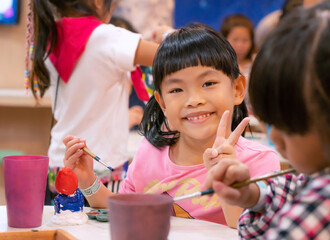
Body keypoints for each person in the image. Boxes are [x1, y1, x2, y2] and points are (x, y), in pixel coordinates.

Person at [63, 23, 280, 227]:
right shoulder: (150, 152)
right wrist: (87, 181)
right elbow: (123, 209)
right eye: (176, 90)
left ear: (237, 89)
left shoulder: (259, 161)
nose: (194, 99)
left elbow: (247, 229)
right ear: (162, 102)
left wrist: (226, 177)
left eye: (208, 83)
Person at [204, 2, 330, 238]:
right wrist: (253, 195)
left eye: (285, 123)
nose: (273, 136)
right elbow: (298, 187)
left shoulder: (322, 203)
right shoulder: (318, 179)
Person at [28, 0, 158, 203]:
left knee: (63, 231)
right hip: (100, 168)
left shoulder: (50, 39)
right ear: (98, 2)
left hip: (59, 165)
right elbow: (170, 56)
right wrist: (167, 35)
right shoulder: (108, 37)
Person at [220, 14, 255, 113]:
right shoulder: (220, 65)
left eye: (245, 40)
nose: (240, 45)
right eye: (235, 40)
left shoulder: (256, 64)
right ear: (224, 39)